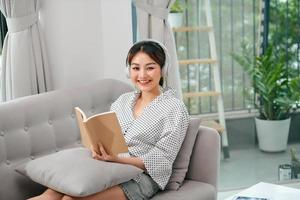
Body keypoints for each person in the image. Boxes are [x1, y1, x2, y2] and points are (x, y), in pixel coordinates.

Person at [28, 39, 190, 200]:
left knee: (70, 199)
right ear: (128, 71)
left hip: (141, 176)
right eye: (135, 68)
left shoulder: (175, 108)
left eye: (150, 68)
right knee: (50, 194)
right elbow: (108, 136)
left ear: (163, 69)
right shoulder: (122, 101)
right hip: (107, 166)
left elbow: (162, 160)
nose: (142, 75)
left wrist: (118, 159)